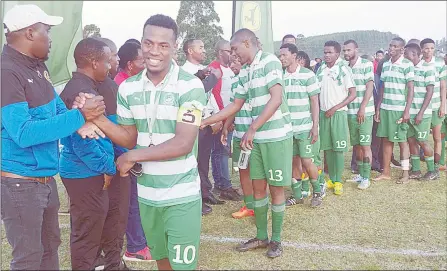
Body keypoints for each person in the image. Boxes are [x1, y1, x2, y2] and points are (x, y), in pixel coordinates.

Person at [75, 14, 207, 271]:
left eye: (163, 45)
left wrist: (132, 156)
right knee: (163, 264)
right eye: (149, 43)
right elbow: (129, 137)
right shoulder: (128, 88)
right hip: (147, 195)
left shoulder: (190, 85)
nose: (154, 51)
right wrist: (96, 118)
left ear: (174, 46)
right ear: (142, 43)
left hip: (181, 194)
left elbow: (183, 143)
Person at [1, 4, 105, 270]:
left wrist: (77, 113)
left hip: (45, 180)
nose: (51, 39)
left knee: (49, 250)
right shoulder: (7, 73)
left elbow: (58, 109)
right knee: (28, 258)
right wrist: (80, 117)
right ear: (29, 33)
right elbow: (23, 133)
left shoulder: (37, 68)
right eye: (47, 31)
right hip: (20, 184)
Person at [202, 28, 293, 258]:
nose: (233, 54)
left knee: (276, 189)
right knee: (258, 188)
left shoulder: (269, 61)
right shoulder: (245, 72)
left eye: (234, 49)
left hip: (275, 137)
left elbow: (276, 98)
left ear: (246, 43)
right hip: (257, 141)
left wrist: (252, 128)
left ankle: (277, 240)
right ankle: (262, 236)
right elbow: (235, 105)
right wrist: (206, 121)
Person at [109, 40, 152, 263]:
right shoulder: (121, 87)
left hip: (137, 153)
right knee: (132, 202)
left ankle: (141, 241)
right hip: (127, 155)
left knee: (138, 200)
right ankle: (135, 247)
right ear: (129, 64)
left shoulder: (136, 83)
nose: (145, 63)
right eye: (140, 60)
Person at [182, 38, 224, 215]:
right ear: (190, 51)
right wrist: (214, 77)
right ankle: (195, 199)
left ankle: (205, 192)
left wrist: (215, 117)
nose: (204, 50)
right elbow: (198, 93)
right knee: (195, 162)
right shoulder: (185, 72)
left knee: (204, 160)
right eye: (200, 47)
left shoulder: (205, 70)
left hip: (207, 121)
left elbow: (210, 96)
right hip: (194, 124)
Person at [279, 43, 323, 207]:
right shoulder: (280, 76)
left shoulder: (307, 75)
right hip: (287, 129)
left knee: (307, 161)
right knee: (292, 162)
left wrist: (315, 126)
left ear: (294, 56)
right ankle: (297, 195)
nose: (281, 58)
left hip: (304, 128)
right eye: (280, 55)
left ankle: (317, 192)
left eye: (284, 55)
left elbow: (314, 102)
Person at [316, 40, 356, 195]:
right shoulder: (321, 69)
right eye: (325, 52)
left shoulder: (343, 69)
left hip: (338, 113)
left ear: (337, 53)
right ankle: (331, 179)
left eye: (330, 52)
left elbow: (353, 94)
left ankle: (338, 180)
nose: (326, 55)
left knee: (338, 148)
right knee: (327, 148)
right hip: (323, 113)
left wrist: (335, 108)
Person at [374, 37, 415, 184]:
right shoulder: (385, 64)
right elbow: (382, 88)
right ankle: (386, 172)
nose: (391, 48)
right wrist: (378, 107)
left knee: (402, 141)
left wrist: (407, 111)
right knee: (386, 140)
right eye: (390, 45)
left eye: (395, 46)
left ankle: (405, 174)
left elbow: (410, 89)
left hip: (399, 110)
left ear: (402, 49)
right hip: (385, 108)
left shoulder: (407, 64)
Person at [207, 40, 242, 201]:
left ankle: (222, 183)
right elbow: (214, 94)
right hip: (220, 117)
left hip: (229, 116)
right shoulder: (214, 68)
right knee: (220, 151)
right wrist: (222, 116)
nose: (232, 53)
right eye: (229, 51)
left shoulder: (230, 69)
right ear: (220, 52)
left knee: (222, 151)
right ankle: (223, 185)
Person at [222, 54, 256, 219]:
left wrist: (254, 129)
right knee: (243, 170)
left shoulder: (255, 79)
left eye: (235, 62)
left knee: (257, 173)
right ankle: (249, 206)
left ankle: (260, 204)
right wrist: (225, 127)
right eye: (229, 63)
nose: (232, 66)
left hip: (255, 135)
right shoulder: (235, 82)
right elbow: (232, 107)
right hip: (238, 135)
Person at [403, 43, 438, 180]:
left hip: (421, 113)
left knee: (423, 141)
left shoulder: (427, 68)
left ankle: (432, 170)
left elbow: (429, 92)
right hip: (409, 112)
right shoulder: (408, 69)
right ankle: (416, 170)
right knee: (411, 140)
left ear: (415, 54)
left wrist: (421, 113)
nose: (404, 56)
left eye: (406, 54)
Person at [343, 40, 375, 189]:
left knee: (365, 145)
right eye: (344, 51)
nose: (346, 53)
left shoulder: (366, 64)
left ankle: (366, 178)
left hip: (365, 112)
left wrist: (362, 107)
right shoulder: (344, 67)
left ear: (356, 49)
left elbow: (369, 87)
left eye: (349, 50)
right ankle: (361, 174)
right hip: (350, 113)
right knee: (356, 146)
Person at [420, 38, 446, 174]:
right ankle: (418, 164)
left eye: (431, 48)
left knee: (437, 138)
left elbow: (443, 86)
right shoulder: (418, 63)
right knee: (420, 138)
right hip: (421, 108)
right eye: (426, 48)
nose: (429, 50)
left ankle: (436, 166)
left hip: (436, 106)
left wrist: (443, 105)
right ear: (421, 49)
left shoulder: (440, 63)